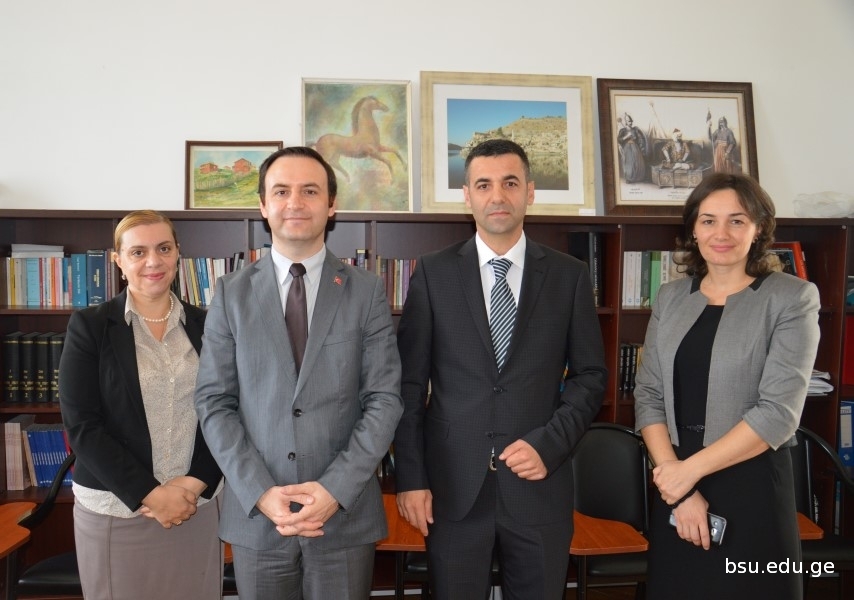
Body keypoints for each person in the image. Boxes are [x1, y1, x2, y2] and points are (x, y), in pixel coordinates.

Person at [393, 139, 608, 599]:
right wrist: (411, 480)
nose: (497, 196)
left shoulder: (569, 275)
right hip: (452, 489)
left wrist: (550, 443)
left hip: (539, 486)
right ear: (467, 196)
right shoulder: (432, 273)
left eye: (510, 183)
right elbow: (408, 387)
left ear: (529, 192)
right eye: (483, 185)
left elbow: (590, 377)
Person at [194, 146, 403, 600]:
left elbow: (384, 400)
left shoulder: (366, 291)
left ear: (331, 205)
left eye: (310, 191)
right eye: (281, 191)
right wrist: (260, 492)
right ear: (263, 205)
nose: (295, 202)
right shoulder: (230, 294)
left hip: (343, 517)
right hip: (258, 518)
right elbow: (214, 402)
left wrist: (334, 491)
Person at [634, 172, 820, 599]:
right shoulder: (671, 297)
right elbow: (648, 397)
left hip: (750, 482)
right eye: (708, 221)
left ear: (758, 229)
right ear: (693, 230)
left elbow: (778, 414)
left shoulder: (792, 298)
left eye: (737, 220)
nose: (721, 233)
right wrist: (678, 489)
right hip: (674, 480)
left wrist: (687, 475)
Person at [59, 210, 223, 599]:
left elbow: (225, 412)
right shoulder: (90, 326)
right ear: (118, 260)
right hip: (117, 509)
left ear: (178, 253)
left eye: (164, 248)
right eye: (138, 252)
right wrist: (151, 493)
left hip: (194, 506)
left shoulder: (209, 325)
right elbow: (82, 426)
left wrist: (194, 483)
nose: (153, 261)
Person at [617, 113, 648, 183]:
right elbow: (619, 140)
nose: (630, 122)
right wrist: (626, 136)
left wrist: (636, 138)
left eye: (631, 121)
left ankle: (636, 178)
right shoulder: (623, 130)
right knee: (629, 162)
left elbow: (640, 139)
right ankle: (629, 178)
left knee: (636, 162)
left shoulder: (635, 130)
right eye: (629, 121)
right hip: (627, 148)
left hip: (635, 147)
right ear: (626, 122)